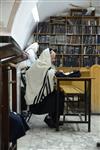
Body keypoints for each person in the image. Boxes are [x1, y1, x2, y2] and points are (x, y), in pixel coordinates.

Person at [25, 48, 64, 128]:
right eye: (52, 58)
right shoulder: (39, 64)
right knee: (58, 95)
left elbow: (48, 73)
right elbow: (48, 73)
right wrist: (56, 73)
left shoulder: (42, 64)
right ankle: (51, 119)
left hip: (39, 95)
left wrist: (56, 73)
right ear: (47, 57)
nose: (54, 60)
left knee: (59, 93)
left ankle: (54, 119)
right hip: (37, 101)